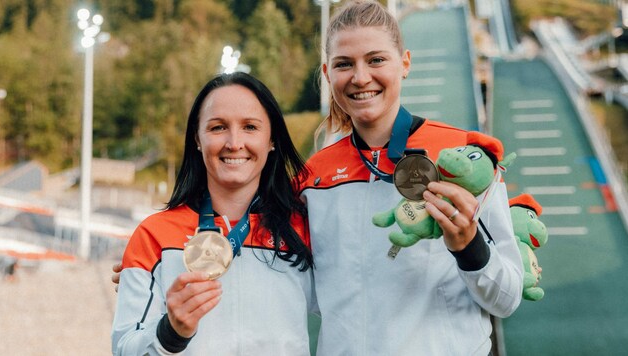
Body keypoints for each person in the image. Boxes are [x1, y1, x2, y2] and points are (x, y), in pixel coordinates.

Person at [297, 1, 523, 355]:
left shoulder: (463, 156)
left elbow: (506, 297)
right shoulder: (313, 176)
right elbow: (314, 296)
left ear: (404, 63)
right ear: (328, 74)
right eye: (344, 64)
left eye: (376, 60)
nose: (360, 77)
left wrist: (470, 246)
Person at [111, 72, 315, 355]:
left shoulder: (306, 231)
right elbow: (125, 348)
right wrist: (170, 333)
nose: (234, 142)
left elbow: (359, 299)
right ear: (197, 138)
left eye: (250, 127)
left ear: (272, 140)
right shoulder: (155, 235)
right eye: (218, 127)